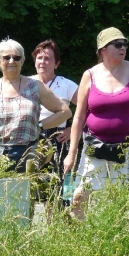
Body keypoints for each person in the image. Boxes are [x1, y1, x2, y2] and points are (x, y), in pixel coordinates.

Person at [63, 27, 129, 219]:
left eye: (125, 44)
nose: (123, 48)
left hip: (128, 144)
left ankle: (122, 241)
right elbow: (78, 116)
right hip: (95, 144)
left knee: (128, 198)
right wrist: (71, 153)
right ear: (102, 50)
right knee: (79, 196)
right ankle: (84, 239)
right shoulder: (90, 75)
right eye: (117, 44)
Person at [0, 39, 72, 172]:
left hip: (26, 157)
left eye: (16, 57)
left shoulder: (35, 87)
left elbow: (65, 111)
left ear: (23, 61)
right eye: (6, 57)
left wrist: (40, 126)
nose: (11, 61)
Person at [30, 39, 78, 188]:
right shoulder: (26, 83)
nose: (42, 62)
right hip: (30, 137)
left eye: (47, 58)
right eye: (39, 58)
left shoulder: (67, 85)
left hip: (57, 139)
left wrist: (72, 130)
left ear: (56, 63)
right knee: (30, 186)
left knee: (54, 187)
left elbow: (89, 110)